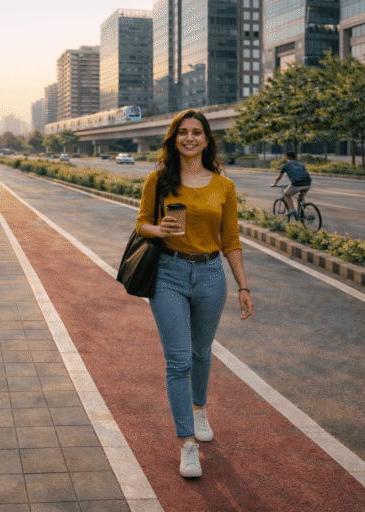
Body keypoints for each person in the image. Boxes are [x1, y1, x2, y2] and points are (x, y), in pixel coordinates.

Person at [136, 110, 254, 479]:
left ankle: (199, 406)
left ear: (207, 140)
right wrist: (157, 229)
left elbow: (231, 240)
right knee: (179, 360)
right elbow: (140, 224)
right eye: (183, 133)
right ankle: (187, 443)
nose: (190, 138)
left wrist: (243, 286)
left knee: (202, 353)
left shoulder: (224, 186)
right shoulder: (158, 181)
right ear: (174, 140)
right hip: (168, 273)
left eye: (196, 133)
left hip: (210, 275)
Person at [271, 151, 311, 217]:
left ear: (286, 157)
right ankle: (302, 214)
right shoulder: (301, 164)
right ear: (295, 157)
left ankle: (291, 209)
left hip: (297, 183)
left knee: (286, 194)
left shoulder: (285, 165)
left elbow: (279, 177)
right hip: (308, 184)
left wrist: (274, 184)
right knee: (300, 197)